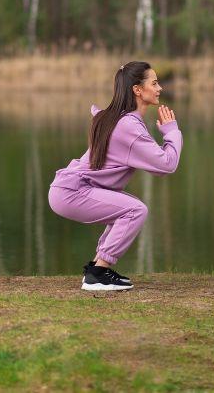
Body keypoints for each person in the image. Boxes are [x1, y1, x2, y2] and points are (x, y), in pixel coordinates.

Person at [48, 61, 182, 291]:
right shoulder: (128, 127)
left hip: (66, 190)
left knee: (126, 209)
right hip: (72, 191)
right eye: (154, 83)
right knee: (135, 210)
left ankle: (97, 270)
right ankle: (99, 273)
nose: (160, 88)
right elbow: (166, 165)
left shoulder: (117, 119)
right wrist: (172, 132)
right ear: (137, 90)